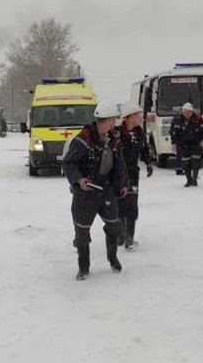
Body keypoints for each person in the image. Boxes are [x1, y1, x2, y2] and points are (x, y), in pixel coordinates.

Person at [62, 99, 129, 280]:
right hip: (86, 193)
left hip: (106, 190)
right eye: (113, 119)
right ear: (105, 120)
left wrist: (123, 184)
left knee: (114, 226)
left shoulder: (114, 139)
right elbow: (68, 163)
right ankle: (83, 267)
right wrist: (79, 180)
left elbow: (120, 165)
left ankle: (112, 258)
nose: (115, 122)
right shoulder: (84, 139)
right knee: (82, 232)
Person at [117, 102, 154, 250]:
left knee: (131, 205)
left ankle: (129, 239)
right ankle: (120, 235)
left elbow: (144, 149)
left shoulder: (139, 132)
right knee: (119, 205)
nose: (140, 117)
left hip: (132, 174)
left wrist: (149, 163)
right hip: (117, 175)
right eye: (138, 114)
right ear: (130, 117)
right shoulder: (117, 133)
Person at [170, 102, 203, 187]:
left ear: (191, 112)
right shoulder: (177, 120)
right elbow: (173, 133)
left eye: (188, 112)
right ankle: (189, 180)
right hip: (183, 145)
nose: (186, 114)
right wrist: (174, 143)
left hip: (196, 144)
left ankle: (195, 179)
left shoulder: (198, 119)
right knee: (185, 163)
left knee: (196, 162)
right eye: (184, 112)